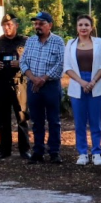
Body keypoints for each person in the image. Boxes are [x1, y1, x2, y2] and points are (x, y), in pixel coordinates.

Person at [20, 11, 66, 163]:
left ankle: (54, 152)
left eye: (41, 24)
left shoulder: (58, 41)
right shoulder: (30, 41)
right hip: (33, 86)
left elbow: (61, 64)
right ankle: (38, 152)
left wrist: (44, 79)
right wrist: (33, 78)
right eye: (36, 24)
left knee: (54, 120)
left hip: (51, 86)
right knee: (36, 120)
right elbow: (23, 62)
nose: (37, 26)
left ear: (50, 25)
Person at [65, 15, 101, 165]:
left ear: (91, 27)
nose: (83, 28)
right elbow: (67, 68)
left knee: (95, 121)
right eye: (80, 25)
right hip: (78, 84)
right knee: (80, 122)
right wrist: (82, 82)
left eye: (86, 25)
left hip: (95, 83)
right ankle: (82, 153)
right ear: (77, 28)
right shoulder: (70, 44)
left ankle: (96, 152)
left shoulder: (99, 43)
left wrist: (92, 81)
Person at [0, 14, 30, 160]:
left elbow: (32, 60)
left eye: (9, 25)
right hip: (1, 84)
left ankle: (24, 150)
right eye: (4, 25)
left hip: (19, 83)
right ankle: (5, 149)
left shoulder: (26, 42)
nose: (7, 28)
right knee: (2, 117)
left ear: (16, 26)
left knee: (22, 116)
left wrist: (21, 64)